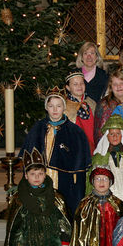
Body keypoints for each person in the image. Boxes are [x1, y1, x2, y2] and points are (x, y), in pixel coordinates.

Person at [19, 87, 91, 217]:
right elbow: (28, 155)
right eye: (51, 106)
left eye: (59, 106)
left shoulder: (75, 131)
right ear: (46, 107)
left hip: (65, 180)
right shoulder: (38, 128)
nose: (55, 110)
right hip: (40, 177)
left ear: (64, 107)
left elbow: (79, 160)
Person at [88, 115, 123, 202]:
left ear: (122, 136)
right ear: (107, 136)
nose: (115, 137)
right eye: (111, 134)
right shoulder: (98, 158)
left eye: (118, 134)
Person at [64, 69, 97, 151]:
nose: (79, 86)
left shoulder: (91, 103)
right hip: (76, 148)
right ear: (68, 87)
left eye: (81, 83)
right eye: (75, 84)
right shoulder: (64, 107)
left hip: (94, 147)